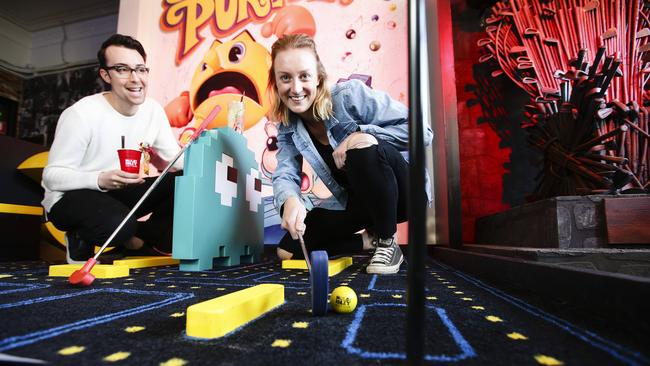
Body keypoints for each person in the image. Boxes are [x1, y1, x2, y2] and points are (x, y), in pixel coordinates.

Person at [267, 34, 433, 274]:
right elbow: (285, 172)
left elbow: (423, 132)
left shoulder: (349, 96)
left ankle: (388, 241)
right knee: (287, 250)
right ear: (275, 82)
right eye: (285, 78)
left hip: (403, 194)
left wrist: (363, 134)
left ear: (319, 78)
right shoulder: (287, 127)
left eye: (304, 76)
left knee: (360, 147)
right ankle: (369, 240)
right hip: (359, 203)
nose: (295, 88)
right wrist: (289, 200)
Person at [42, 34, 182, 264]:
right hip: (71, 198)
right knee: (118, 226)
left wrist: (210, 155)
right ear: (105, 75)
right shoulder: (81, 114)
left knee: (187, 181)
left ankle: (137, 237)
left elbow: (175, 160)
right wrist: (100, 179)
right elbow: (52, 177)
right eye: (122, 69)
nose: (135, 79)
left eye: (141, 69)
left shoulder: (153, 110)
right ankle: (81, 234)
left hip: (120, 192)